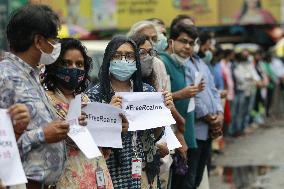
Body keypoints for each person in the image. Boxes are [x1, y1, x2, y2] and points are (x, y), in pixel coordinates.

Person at [0, 5, 77, 188]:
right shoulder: (6, 77)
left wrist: (69, 126)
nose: (56, 45)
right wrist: (42, 135)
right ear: (38, 41)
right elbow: (4, 143)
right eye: (54, 39)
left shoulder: (31, 76)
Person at [86, 35, 174, 189]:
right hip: (112, 173)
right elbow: (91, 144)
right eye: (117, 55)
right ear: (108, 59)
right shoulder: (94, 96)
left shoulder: (147, 92)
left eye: (129, 56)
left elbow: (156, 135)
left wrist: (163, 113)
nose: (124, 60)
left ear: (136, 61)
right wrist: (109, 116)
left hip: (145, 173)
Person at [41, 38, 113, 189]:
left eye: (79, 64)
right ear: (54, 66)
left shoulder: (85, 99)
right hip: (66, 178)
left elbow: (101, 145)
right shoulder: (45, 100)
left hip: (96, 175)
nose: (73, 69)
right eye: (66, 63)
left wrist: (114, 126)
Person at [159, 23, 205, 189]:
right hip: (175, 136)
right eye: (183, 41)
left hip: (188, 134)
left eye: (191, 43)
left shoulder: (183, 65)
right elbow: (162, 99)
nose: (187, 46)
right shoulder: (162, 63)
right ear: (171, 42)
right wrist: (182, 94)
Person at [182, 24, 224, 189]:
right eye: (188, 42)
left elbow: (213, 90)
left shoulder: (201, 63)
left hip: (209, 130)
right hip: (196, 129)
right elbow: (193, 95)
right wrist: (208, 116)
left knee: (199, 176)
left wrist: (219, 113)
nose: (190, 46)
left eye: (192, 42)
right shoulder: (185, 65)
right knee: (189, 179)